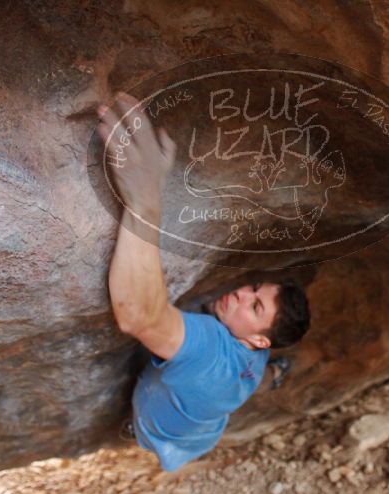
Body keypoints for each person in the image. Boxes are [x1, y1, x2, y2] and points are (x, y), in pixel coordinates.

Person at [96, 92, 311, 471]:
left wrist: (145, 201)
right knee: (256, 377)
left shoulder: (212, 350)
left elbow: (139, 317)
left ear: (258, 339)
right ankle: (277, 372)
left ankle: (275, 373)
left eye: (255, 305)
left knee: (245, 378)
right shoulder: (253, 352)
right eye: (254, 288)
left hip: (161, 437)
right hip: (208, 427)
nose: (241, 293)